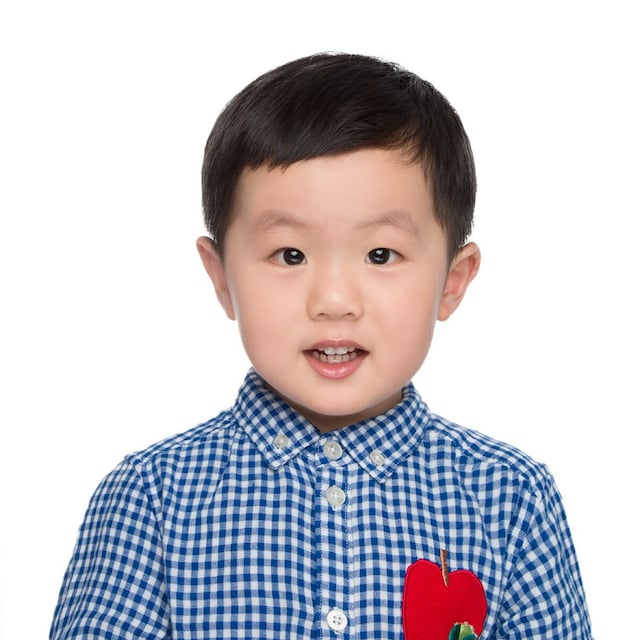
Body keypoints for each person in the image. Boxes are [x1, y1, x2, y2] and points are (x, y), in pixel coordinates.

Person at [50, 53, 592, 639]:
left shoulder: (510, 499)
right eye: (290, 255)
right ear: (221, 277)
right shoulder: (151, 499)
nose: (334, 300)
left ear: (452, 281)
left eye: (381, 255)